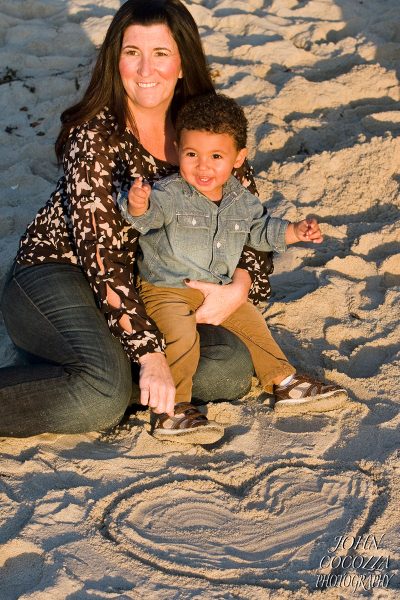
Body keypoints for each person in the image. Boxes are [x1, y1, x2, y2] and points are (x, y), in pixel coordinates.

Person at [0, 0, 273, 438]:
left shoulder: (207, 129)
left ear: (183, 63)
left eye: (161, 53)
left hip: (150, 288)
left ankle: (80, 369)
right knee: (100, 397)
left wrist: (237, 288)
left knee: (230, 367)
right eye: (132, 53)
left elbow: (248, 221)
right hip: (58, 274)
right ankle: (96, 375)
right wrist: (150, 355)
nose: (146, 69)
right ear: (116, 60)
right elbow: (103, 259)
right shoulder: (94, 136)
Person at [118, 93, 348, 443]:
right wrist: (137, 203)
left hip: (216, 288)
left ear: (238, 158)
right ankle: (171, 410)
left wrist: (295, 232)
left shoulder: (242, 200)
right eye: (192, 154)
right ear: (178, 148)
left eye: (216, 156)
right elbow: (146, 219)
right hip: (166, 288)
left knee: (252, 322)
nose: (202, 166)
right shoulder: (169, 192)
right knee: (180, 337)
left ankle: (283, 381)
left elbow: (262, 230)